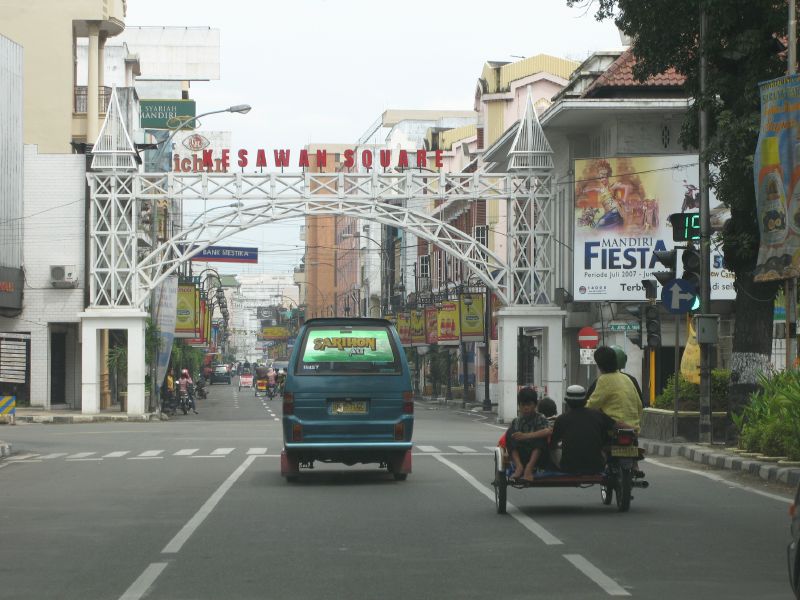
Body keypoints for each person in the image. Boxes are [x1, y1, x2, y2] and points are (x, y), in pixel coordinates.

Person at [551, 385, 619, 474]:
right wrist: (632, 428)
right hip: (597, 467)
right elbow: (615, 425)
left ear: (567, 401)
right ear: (585, 400)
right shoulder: (598, 415)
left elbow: (553, 443)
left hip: (568, 468)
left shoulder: (561, 419)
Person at [586, 346, 642, 432]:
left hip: (614, 429)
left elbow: (592, 405)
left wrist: (579, 410)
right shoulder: (626, 378)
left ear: (600, 365)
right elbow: (639, 405)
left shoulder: (604, 379)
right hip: (634, 430)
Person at [505, 387, 552, 482]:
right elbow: (513, 440)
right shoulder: (517, 421)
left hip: (537, 455)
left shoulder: (540, 418)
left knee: (541, 437)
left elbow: (548, 431)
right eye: (523, 405)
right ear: (519, 406)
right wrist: (518, 437)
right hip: (522, 454)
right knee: (510, 433)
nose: (526, 408)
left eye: (529, 404)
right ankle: (519, 467)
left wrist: (526, 436)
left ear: (535, 405)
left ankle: (529, 469)